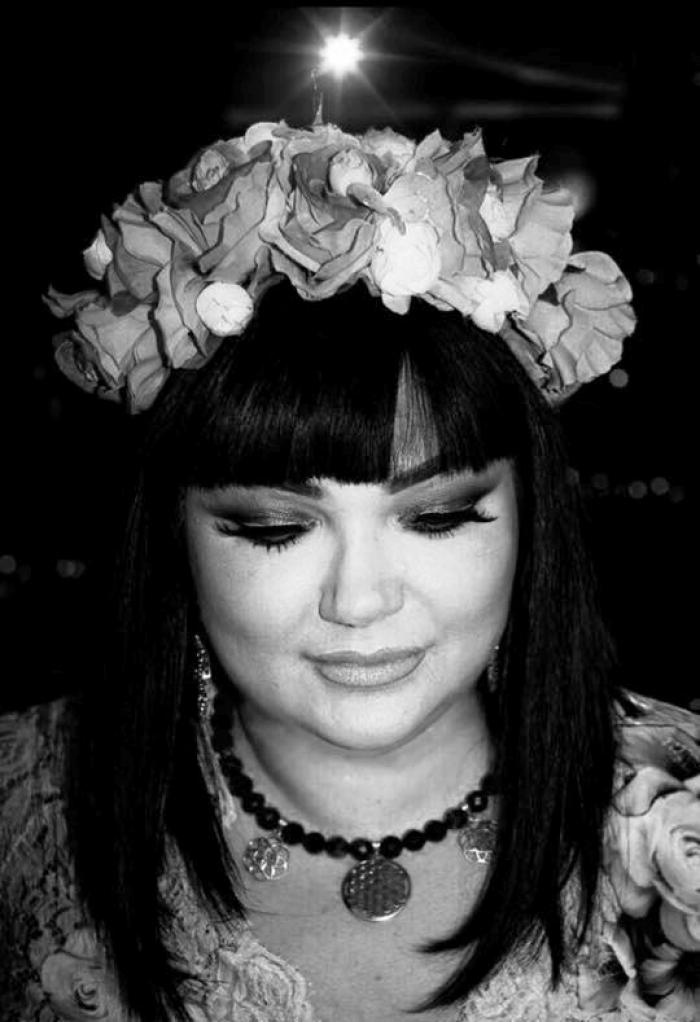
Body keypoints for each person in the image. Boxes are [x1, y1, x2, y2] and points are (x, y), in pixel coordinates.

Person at [1, 118, 698, 1022]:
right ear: (174, 537)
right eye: (274, 530)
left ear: (532, 523)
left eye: (438, 517)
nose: (361, 601)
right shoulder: (21, 806)